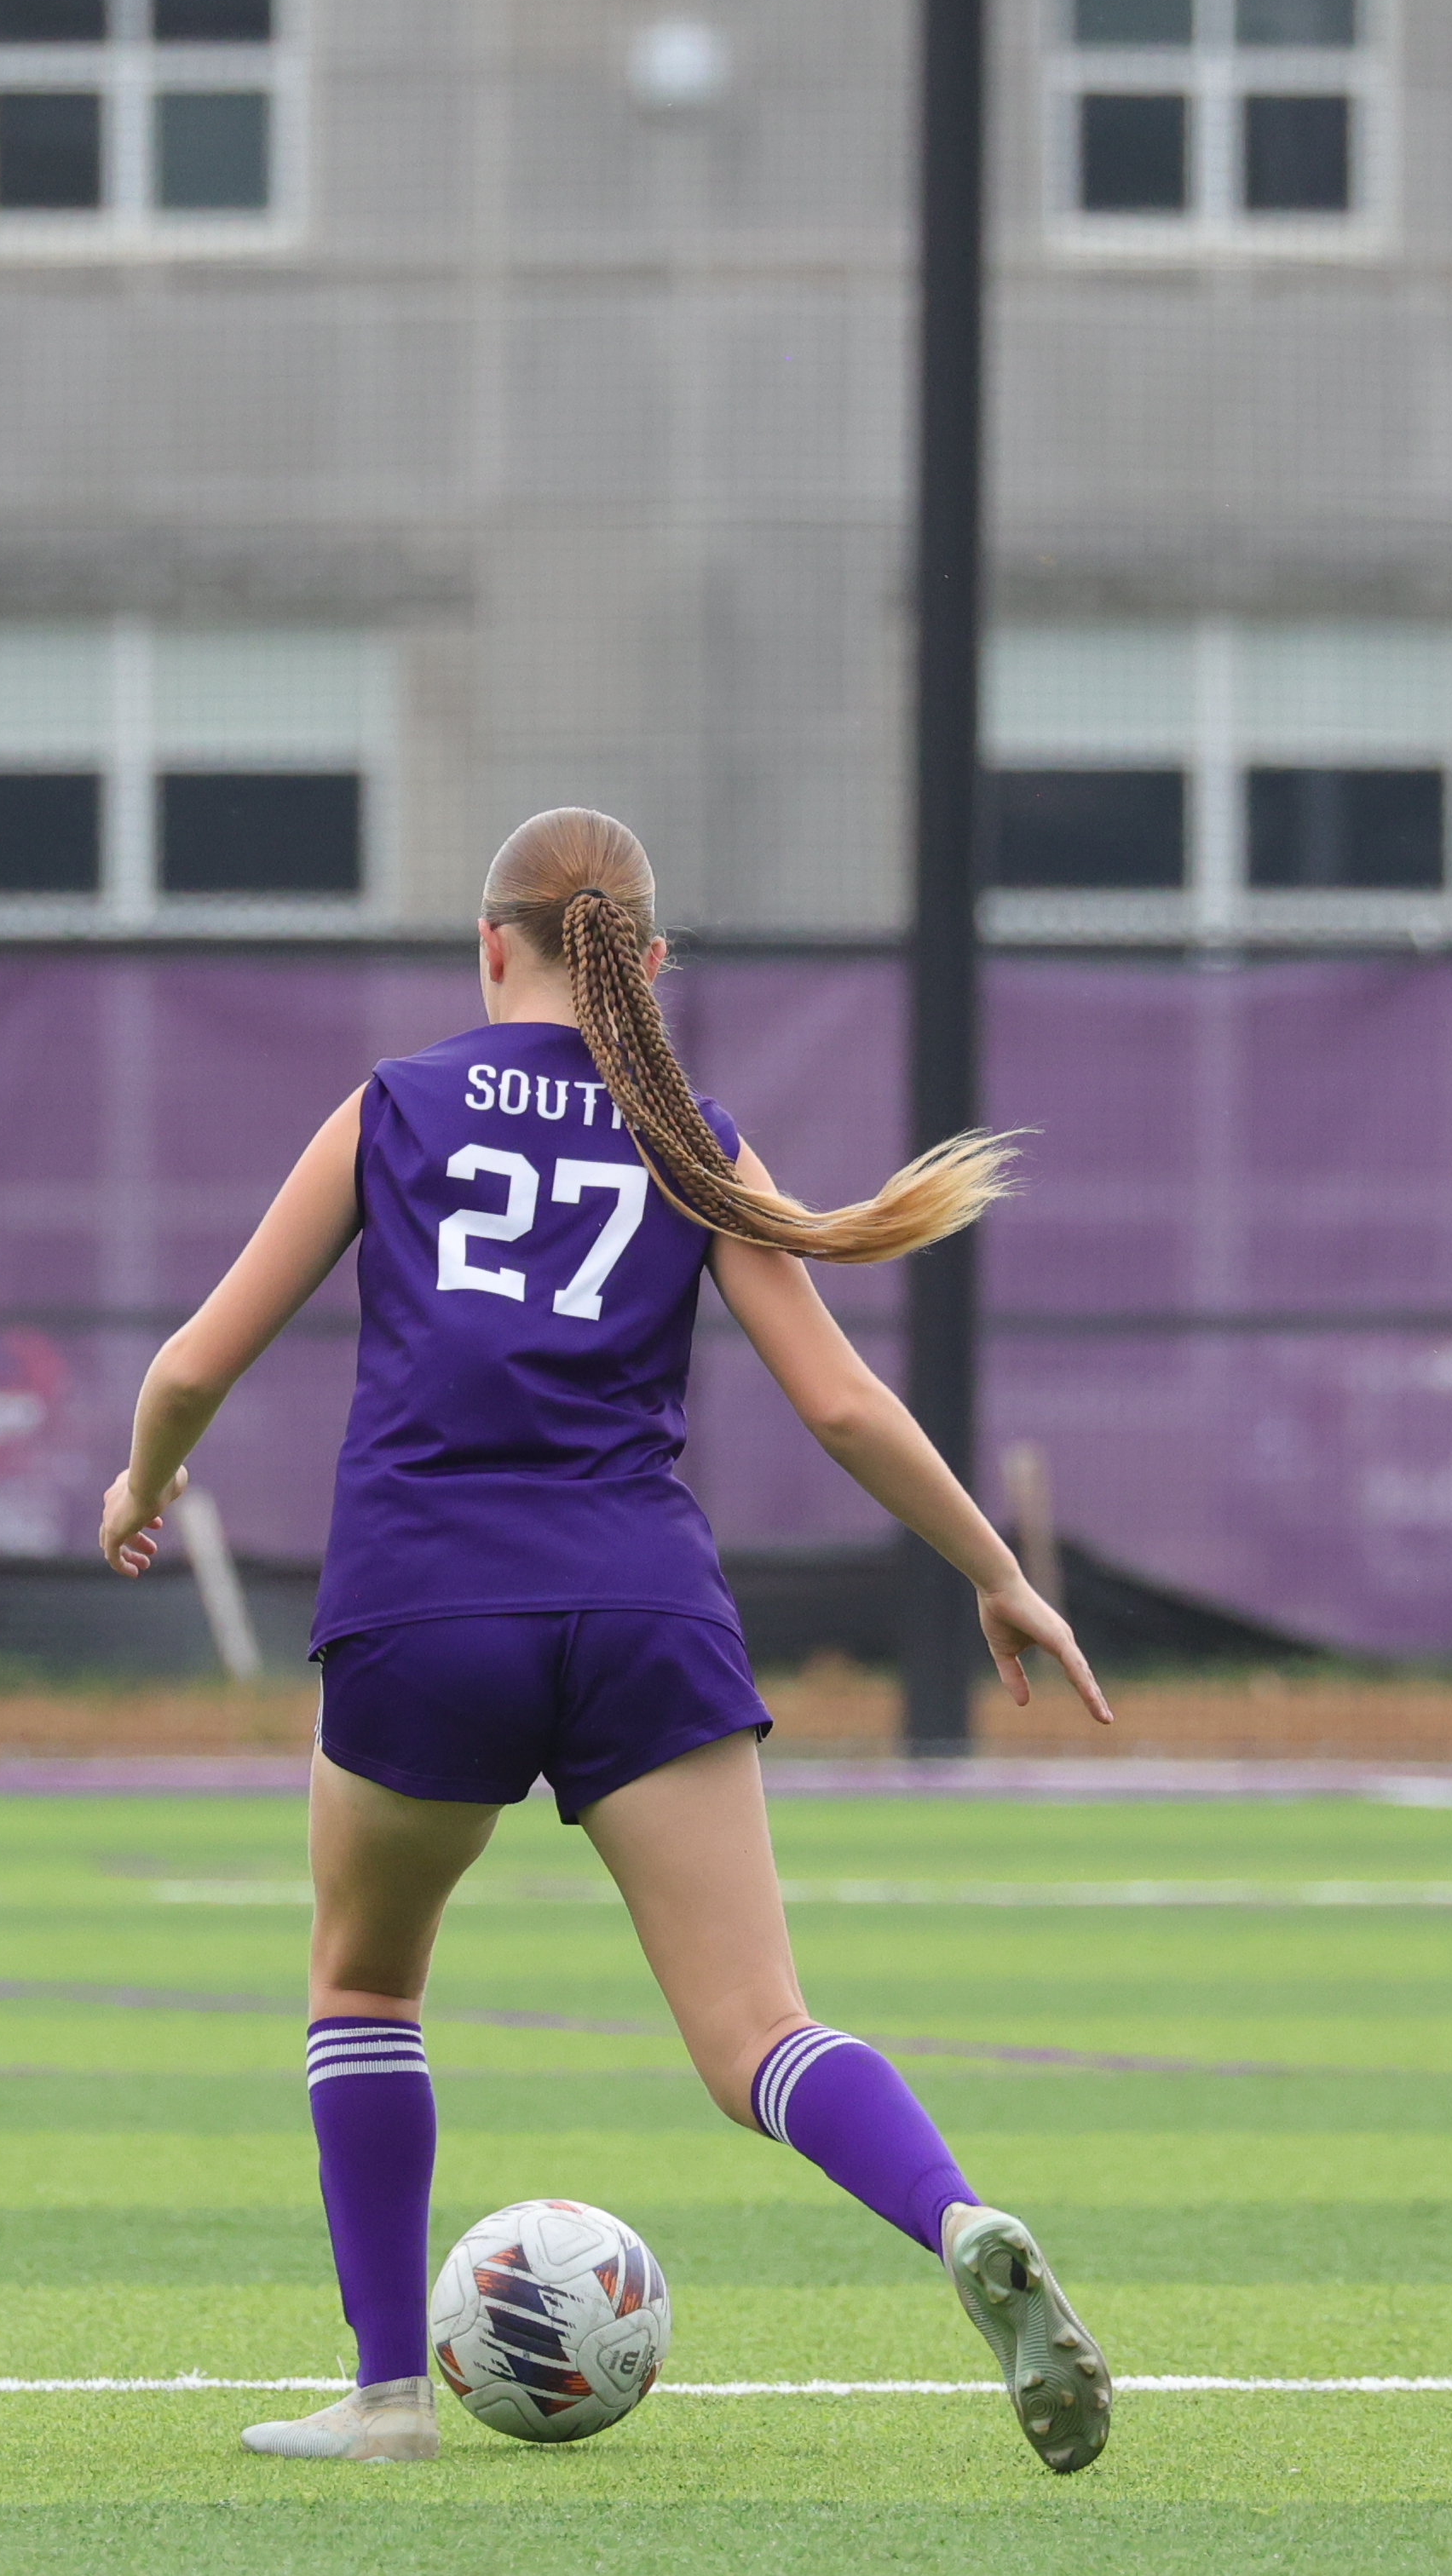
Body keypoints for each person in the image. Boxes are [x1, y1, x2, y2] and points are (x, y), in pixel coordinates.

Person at [96, 806, 1118, 2477]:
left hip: (427, 1601)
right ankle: (956, 2217)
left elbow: (198, 1362)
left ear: (489, 945)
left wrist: (143, 1481)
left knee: (366, 1979)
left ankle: (384, 2397)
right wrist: (999, 1573)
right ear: (645, 964)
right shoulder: (692, 1137)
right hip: (642, 1605)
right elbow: (846, 1406)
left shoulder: (393, 1109)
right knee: (758, 2033)